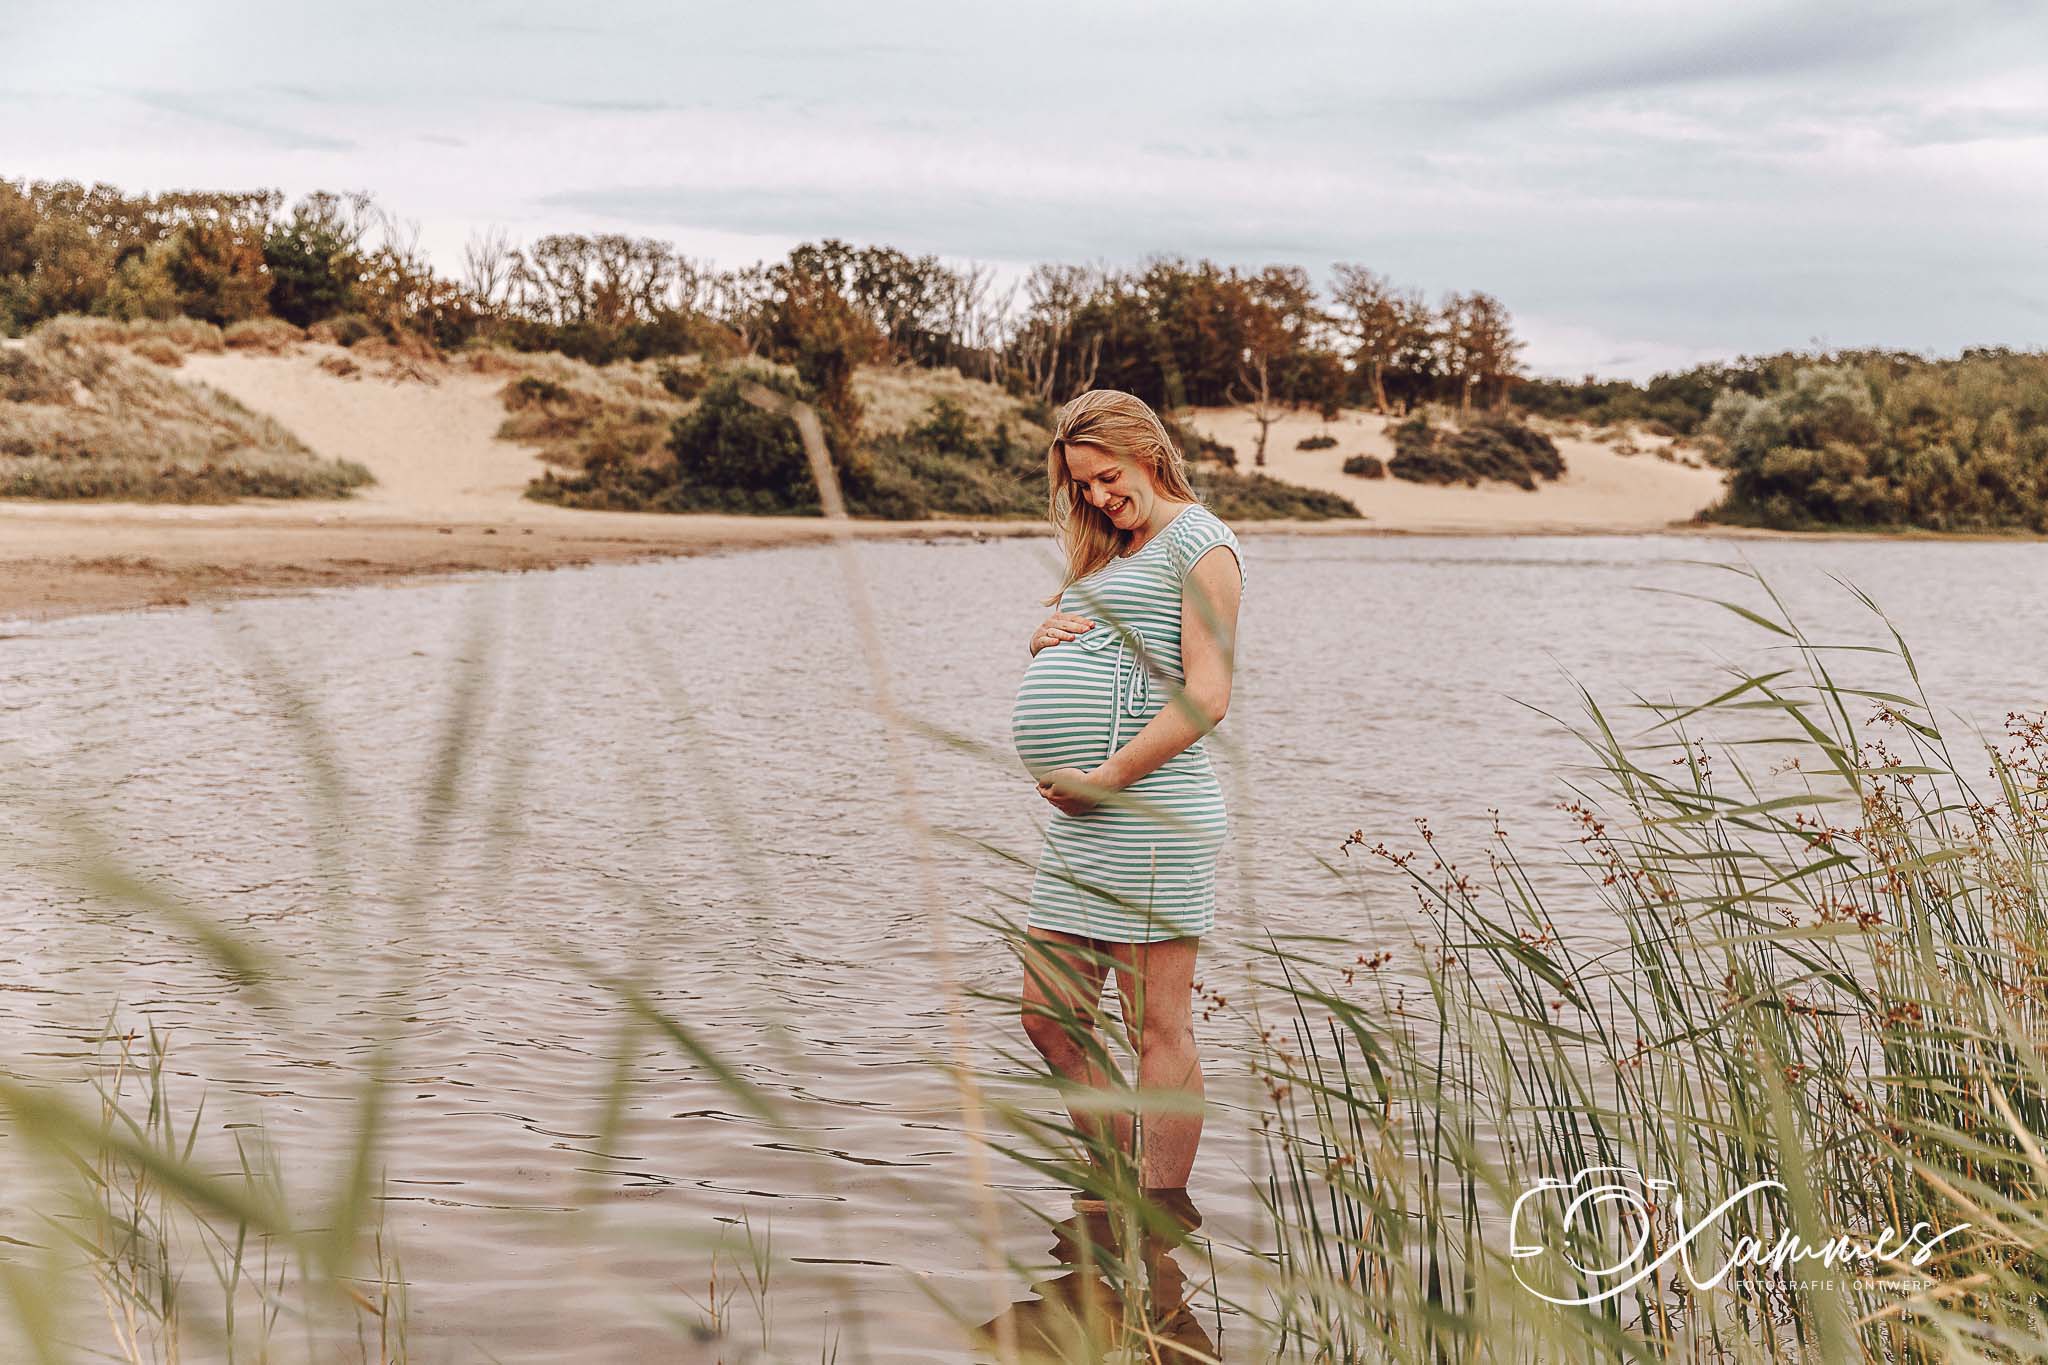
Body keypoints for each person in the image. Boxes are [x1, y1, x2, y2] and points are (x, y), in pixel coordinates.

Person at [1008, 388, 1245, 1205]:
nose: (1098, 496)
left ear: (1147, 450)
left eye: (1107, 477)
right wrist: (1039, 641)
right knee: (1049, 1014)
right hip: (1083, 823)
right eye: (1081, 486)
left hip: (1151, 813)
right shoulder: (1114, 548)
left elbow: (1208, 695)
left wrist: (1106, 778)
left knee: (1158, 1027)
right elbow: (1108, 653)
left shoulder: (1201, 544)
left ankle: (1160, 1209)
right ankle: (1114, 1188)